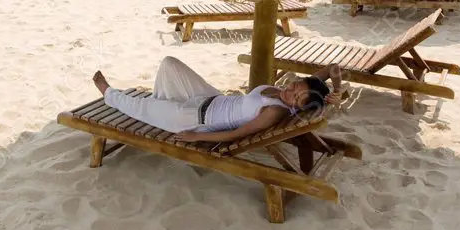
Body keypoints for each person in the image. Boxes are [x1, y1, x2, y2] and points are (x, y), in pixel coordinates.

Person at [92, 56, 341, 145]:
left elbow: (236, 135)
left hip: (193, 119)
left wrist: (197, 136)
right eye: (297, 87)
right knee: (169, 65)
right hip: (209, 97)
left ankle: (109, 94)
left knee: (141, 106)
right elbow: (332, 68)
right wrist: (337, 90)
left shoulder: (274, 113)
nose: (292, 93)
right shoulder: (297, 89)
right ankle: (160, 108)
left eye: (297, 99)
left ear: (298, 108)